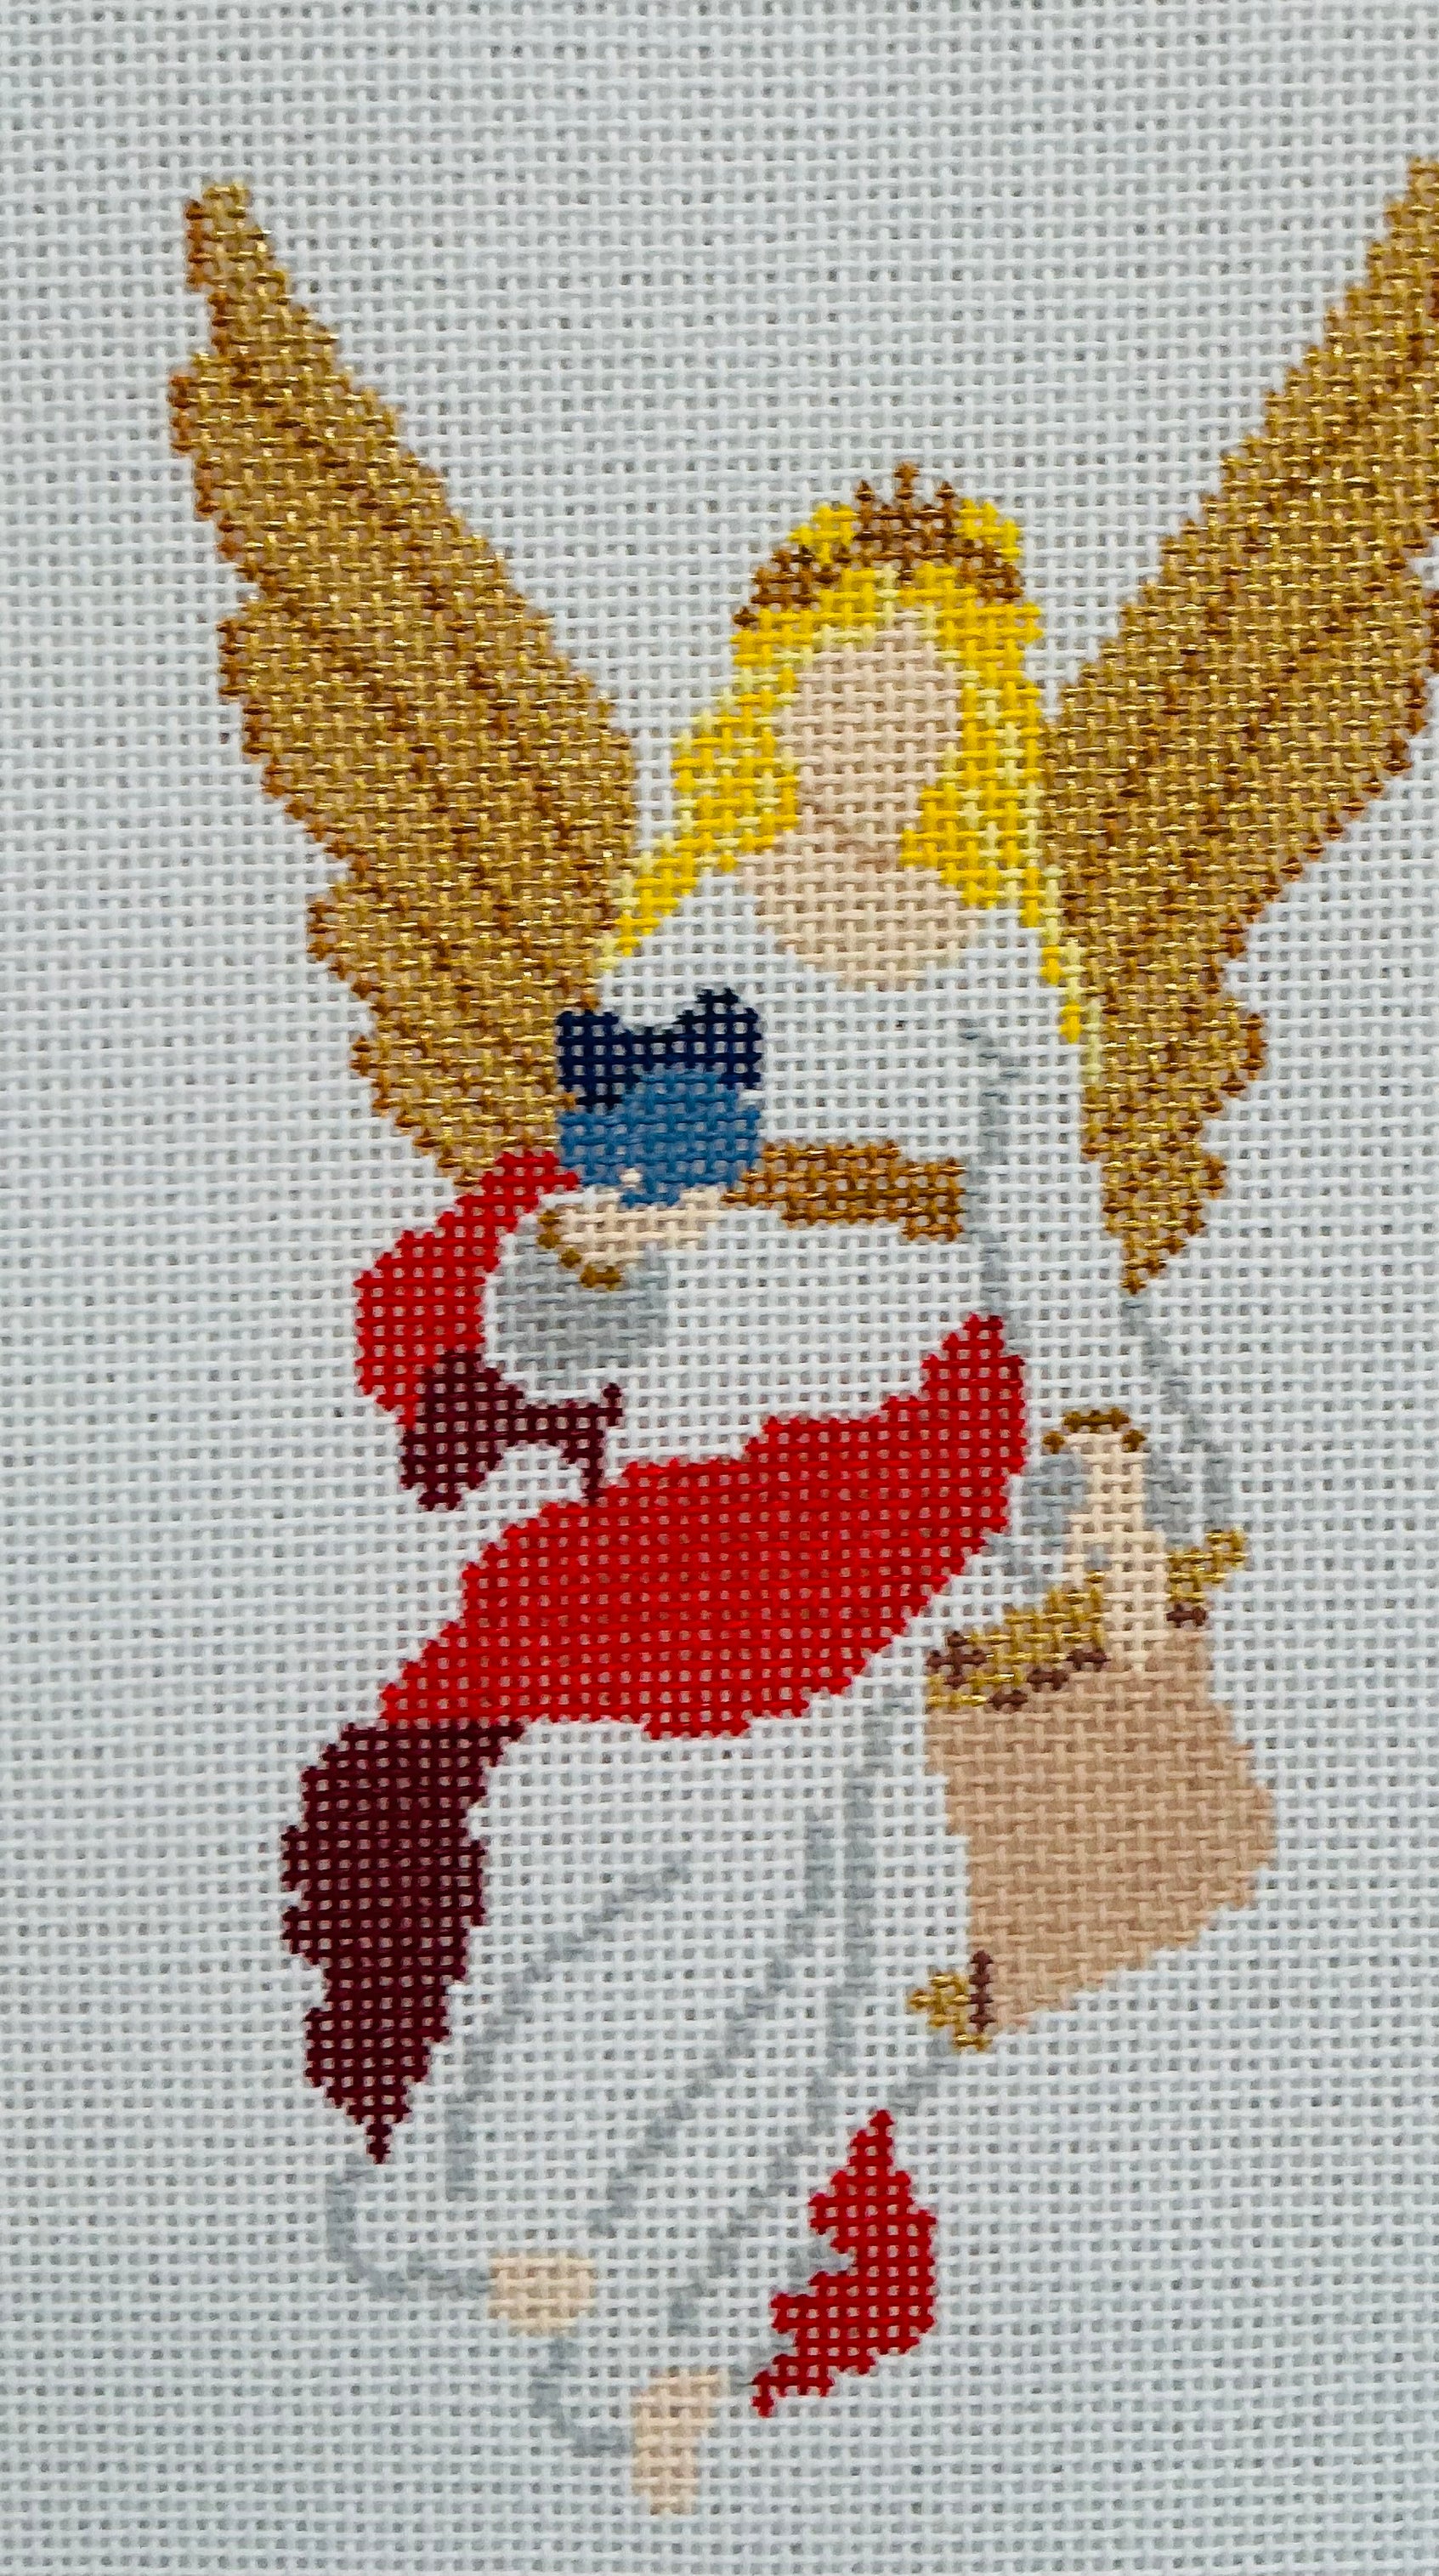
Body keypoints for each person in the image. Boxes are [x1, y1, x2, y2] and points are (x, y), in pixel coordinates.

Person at [292, 485, 1268, 2511]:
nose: (887, 728)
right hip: (717, 1460)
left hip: (929, 1470)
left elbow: (1055, 1253)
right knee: (689, 1866)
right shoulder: (694, 945)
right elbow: (582, 1284)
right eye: (851, 686)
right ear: (778, 705)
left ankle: (674, 2312)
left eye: (933, 697)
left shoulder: (999, 970)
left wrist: (1110, 1473)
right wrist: (591, 1247)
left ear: (973, 728)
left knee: (866, 1914)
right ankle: (493, 2186)